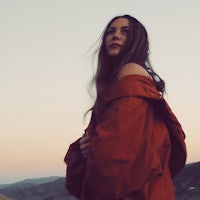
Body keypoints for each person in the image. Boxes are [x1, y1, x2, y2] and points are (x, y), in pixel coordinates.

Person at [64, 14, 187, 200]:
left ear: (136, 41)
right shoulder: (118, 82)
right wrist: (84, 146)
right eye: (111, 31)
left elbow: (115, 153)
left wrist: (93, 145)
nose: (115, 36)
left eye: (125, 31)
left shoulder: (130, 75)